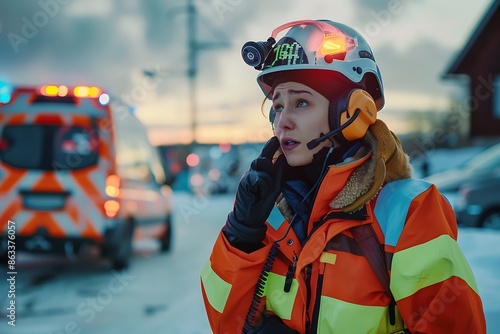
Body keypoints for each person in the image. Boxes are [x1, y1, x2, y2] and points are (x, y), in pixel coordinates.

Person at [201, 20, 486, 334]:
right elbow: (224, 323)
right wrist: (240, 234)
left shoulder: (410, 212)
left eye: (301, 103)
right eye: (277, 106)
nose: (282, 122)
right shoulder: (267, 210)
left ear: (353, 111)